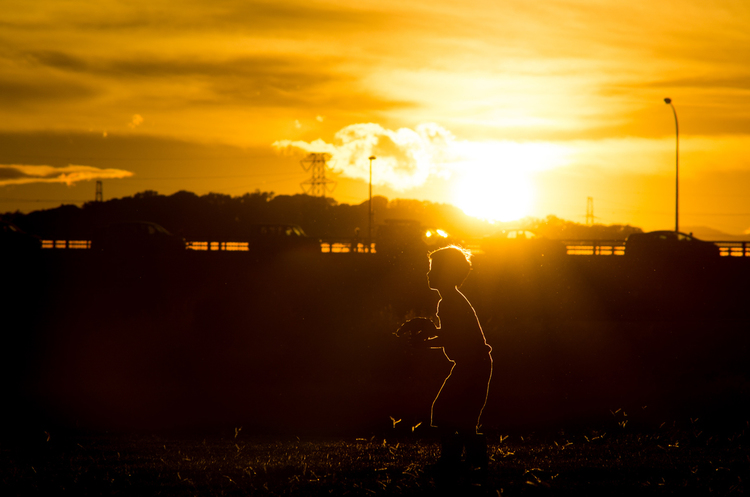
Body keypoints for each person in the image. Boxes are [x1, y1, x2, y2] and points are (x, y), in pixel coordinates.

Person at [396, 245, 492, 475]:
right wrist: (429, 335)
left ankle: (457, 461)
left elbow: (452, 336)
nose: (428, 274)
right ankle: (469, 461)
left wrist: (425, 340)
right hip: (473, 365)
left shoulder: (450, 302)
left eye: (433, 269)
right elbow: (452, 334)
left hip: (473, 366)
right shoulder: (450, 300)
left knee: (449, 411)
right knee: (459, 414)